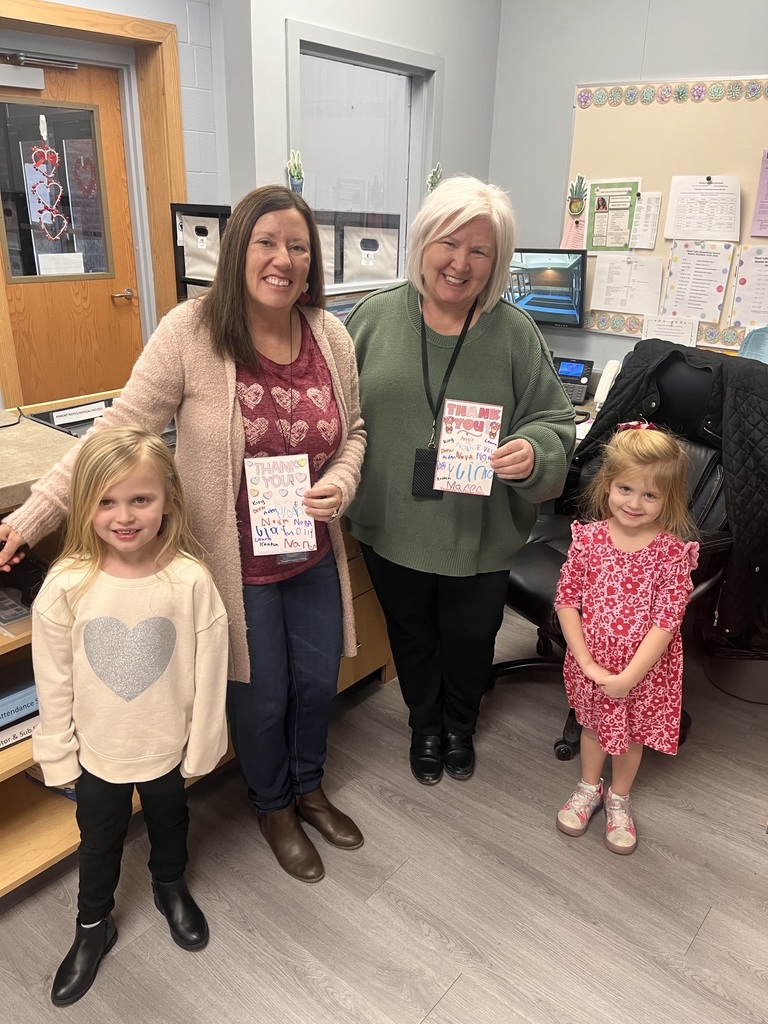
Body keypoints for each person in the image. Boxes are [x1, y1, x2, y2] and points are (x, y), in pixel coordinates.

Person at [0, 185, 367, 885]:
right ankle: (274, 807)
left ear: (311, 260)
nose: (282, 259)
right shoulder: (191, 331)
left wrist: (342, 482)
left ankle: (310, 787)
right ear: (236, 252)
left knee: (318, 684)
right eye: (265, 242)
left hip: (310, 549)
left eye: (297, 246)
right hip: (234, 562)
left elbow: (355, 434)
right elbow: (118, 430)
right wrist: (31, 517)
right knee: (262, 694)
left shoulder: (330, 334)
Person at [343, 176, 576, 785]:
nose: (460, 263)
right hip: (393, 524)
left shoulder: (515, 332)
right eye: (449, 243)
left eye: (480, 252)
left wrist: (532, 451)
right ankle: (425, 724)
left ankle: (460, 725)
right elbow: (337, 412)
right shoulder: (373, 318)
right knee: (411, 635)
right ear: (423, 241)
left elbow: (554, 421)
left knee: (471, 639)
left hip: (479, 531)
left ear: (497, 263)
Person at [32, 426, 229, 1006]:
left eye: (140, 499)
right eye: (106, 501)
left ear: (168, 498)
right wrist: (59, 753)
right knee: (98, 841)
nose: (124, 516)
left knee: (171, 821)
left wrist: (202, 745)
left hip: (167, 745)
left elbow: (210, 669)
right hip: (97, 753)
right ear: (83, 505)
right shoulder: (67, 585)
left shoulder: (190, 580)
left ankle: (170, 885)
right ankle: (93, 924)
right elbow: (54, 681)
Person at [554, 423, 699, 855]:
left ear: (669, 499)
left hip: (643, 672)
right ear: (607, 485)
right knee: (592, 727)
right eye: (625, 489)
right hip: (593, 662)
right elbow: (567, 601)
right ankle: (589, 787)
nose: (634, 503)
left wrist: (629, 678)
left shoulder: (672, 554)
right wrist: (586, 663)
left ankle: (619, 797)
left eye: (650, 495)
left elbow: (666, 622)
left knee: (630, 737)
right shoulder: (588, 540)